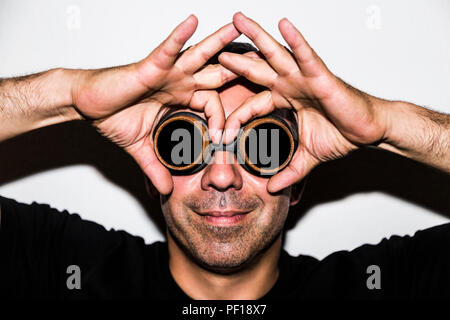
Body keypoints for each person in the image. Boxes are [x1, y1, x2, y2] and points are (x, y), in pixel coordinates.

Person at [0, 12, 449, 300]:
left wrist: (385, 124)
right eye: (186, 144)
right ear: (147, 166)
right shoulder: (60, 267)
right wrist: (68, 95)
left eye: (262, 146)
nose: (221, 176)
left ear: (298, 182)